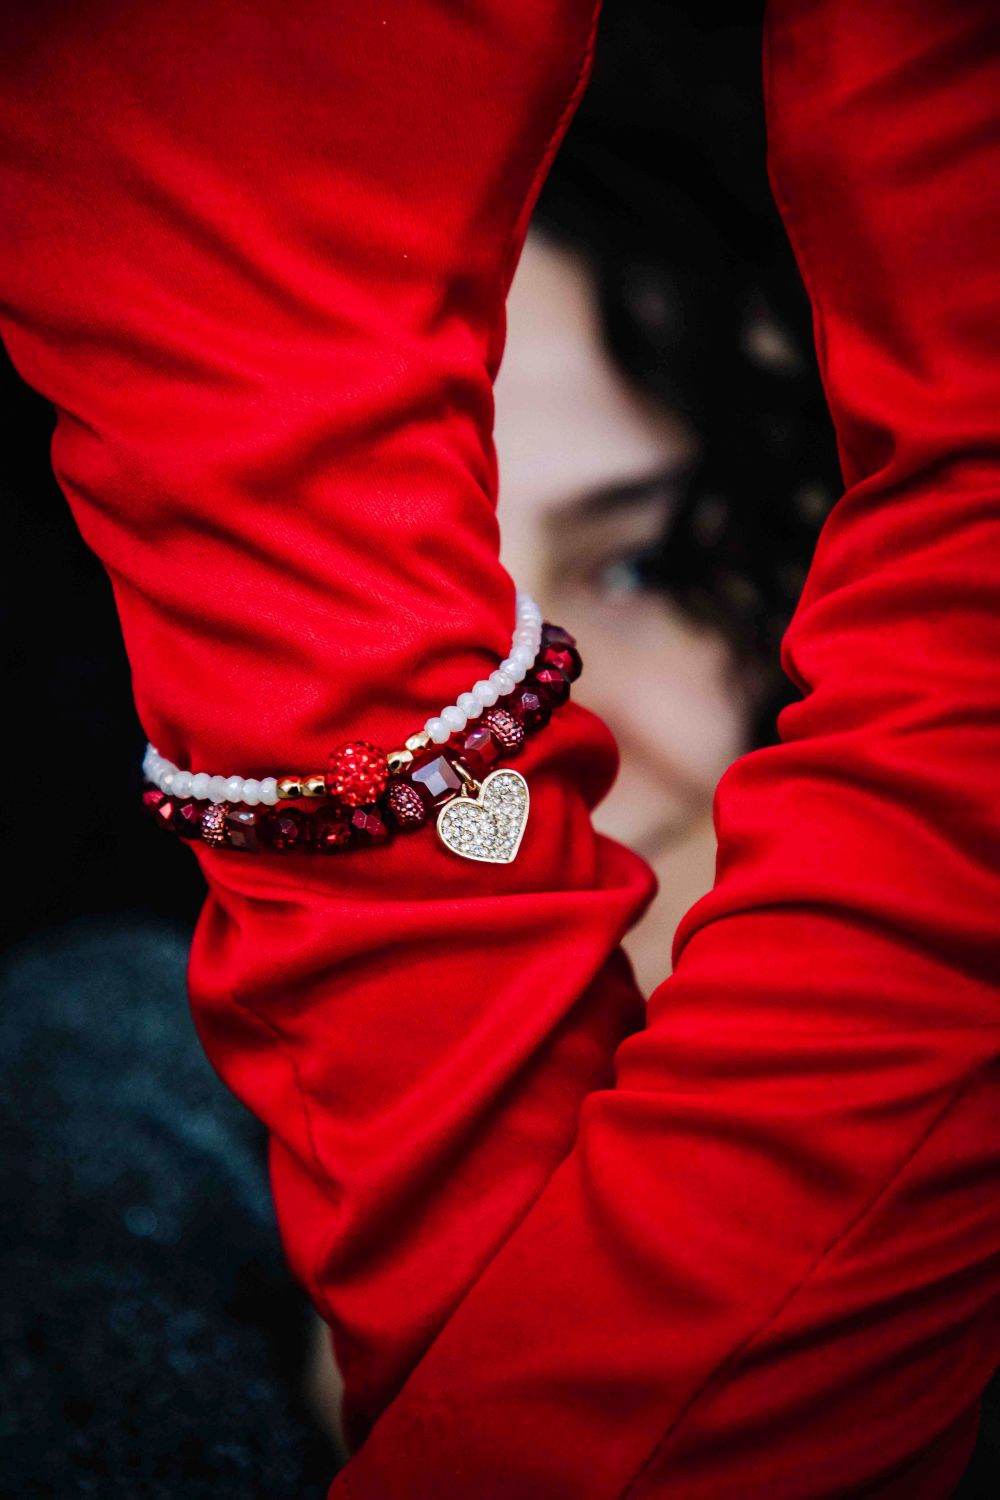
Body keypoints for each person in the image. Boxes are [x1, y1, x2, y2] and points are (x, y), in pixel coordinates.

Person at [1, 5, 996, 1499]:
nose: (521, 745)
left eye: (645, 565)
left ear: (827, 548)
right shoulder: (89, 1110)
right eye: (302, 619)